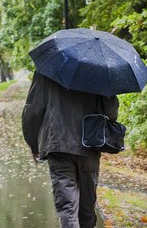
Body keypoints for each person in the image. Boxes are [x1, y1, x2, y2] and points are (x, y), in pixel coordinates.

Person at [22, 71, 119, 228]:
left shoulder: (47, 70)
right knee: (87, 209)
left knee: (67, 208)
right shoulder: (99, 71)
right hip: (89, 144)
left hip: (58, 143)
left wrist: (33, 142)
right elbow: (111, 114)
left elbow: (33, 109)